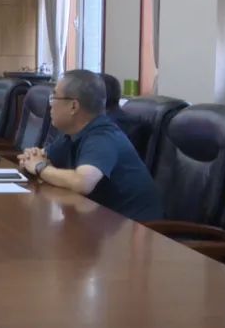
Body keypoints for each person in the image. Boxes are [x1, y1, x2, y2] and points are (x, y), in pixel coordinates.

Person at [18, 69, 163, 222]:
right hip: (102, 221)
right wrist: (32, 160)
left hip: (137, 228)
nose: (50, 105)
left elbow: (83, 182)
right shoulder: (72, 133)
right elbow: (36, 159)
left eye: (54, 98)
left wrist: (40, 167)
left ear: (73, 106)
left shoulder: (103, 136)